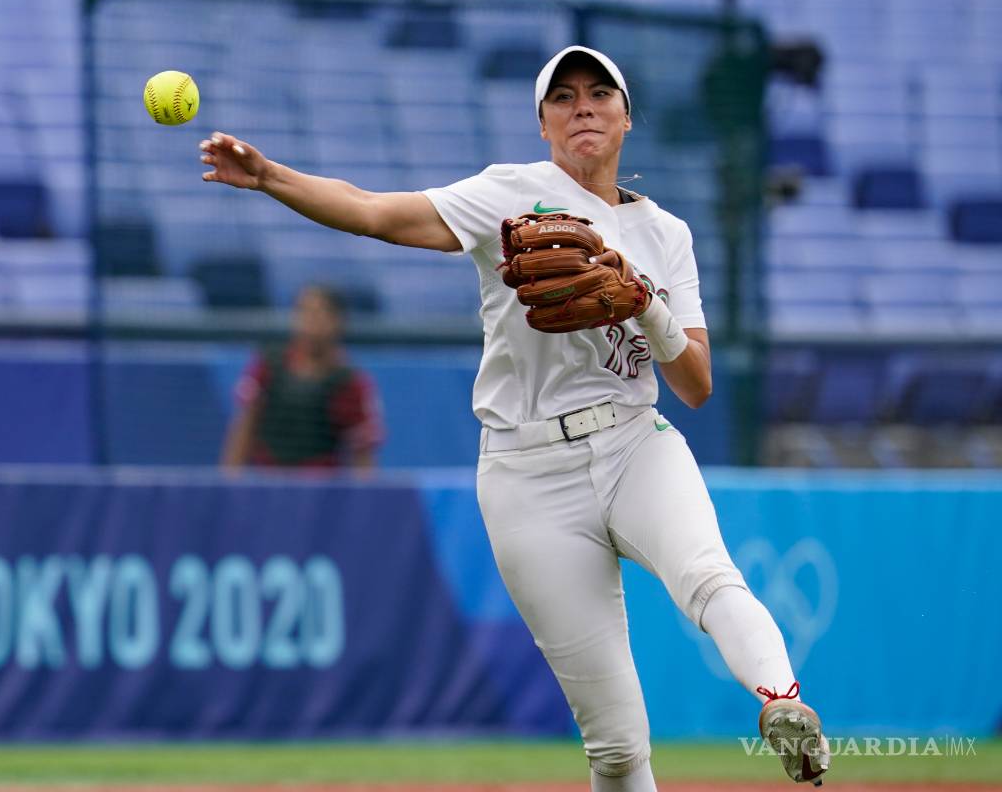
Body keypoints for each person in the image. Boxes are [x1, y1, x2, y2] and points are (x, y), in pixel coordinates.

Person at [200, 45, 830, 790]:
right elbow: (375, 213)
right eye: (563, 98)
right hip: (527, 474)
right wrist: (271, 177)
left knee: (707, 574)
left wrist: (646, 304)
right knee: (618, 746)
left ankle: (782, 704)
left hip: (635, 440)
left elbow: (695, 384)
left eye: (601, 93)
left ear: (628, 117)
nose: (583, 106)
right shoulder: (507, 193)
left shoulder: (667, 234)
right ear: (543, 125)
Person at [221, 285, 383, 470]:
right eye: (303, 312)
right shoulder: (268, 364)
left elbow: (362, 457)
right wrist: (229, 485)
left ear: (338, 321)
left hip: (321, 492)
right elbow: (243, 429)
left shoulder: (351, 383)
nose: (309, 322)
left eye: (319, 314)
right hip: (266, 486)